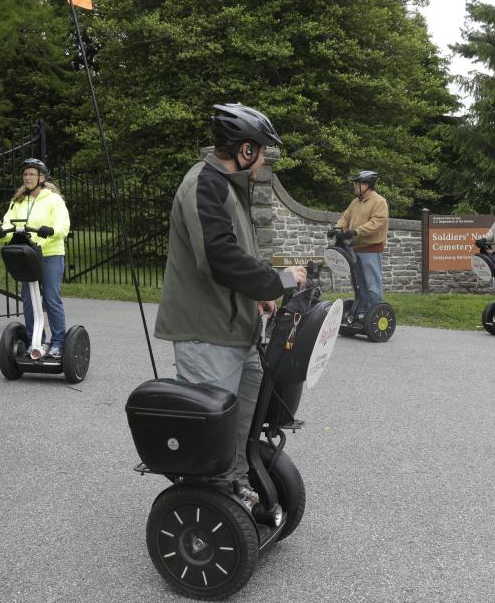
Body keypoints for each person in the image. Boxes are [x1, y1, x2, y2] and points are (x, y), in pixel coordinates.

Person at [153, 103, 307, 509]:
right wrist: (278, 280)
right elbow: (218, 257)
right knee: (213, 429)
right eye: (262, 151)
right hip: (206, 333)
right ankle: (208, 504)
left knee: (244, 417)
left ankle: (236, 481)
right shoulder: (204, 184)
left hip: (236, 327)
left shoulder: (229, 187)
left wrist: (257, 293)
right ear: (244, 150)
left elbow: (240, 254)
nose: (263, 160)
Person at [0, 158, 70, 359]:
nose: (27, 177)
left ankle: (58, 343)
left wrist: (51, 230)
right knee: (29, 300)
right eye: (25, 174)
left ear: (41, 178)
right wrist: (2, 231)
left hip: (50, 254)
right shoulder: (18, 201)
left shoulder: (54, 200)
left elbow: (63, 226)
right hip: (27, 255)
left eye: (31, 174)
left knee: (51, 298)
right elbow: (8, 224)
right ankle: (35, 341)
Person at [329, 170, 389, 323]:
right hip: (355, 249)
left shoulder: (379, 202)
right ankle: (361, 313)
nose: (354, 187)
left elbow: (376, 224)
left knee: (372, 285)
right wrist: (336, 230)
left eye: (357, 184)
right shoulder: (356, 202)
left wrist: (356, 232)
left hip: (371, 249)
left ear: (366, 185)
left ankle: (376, 316)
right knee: (359, 284)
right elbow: (345, 218)